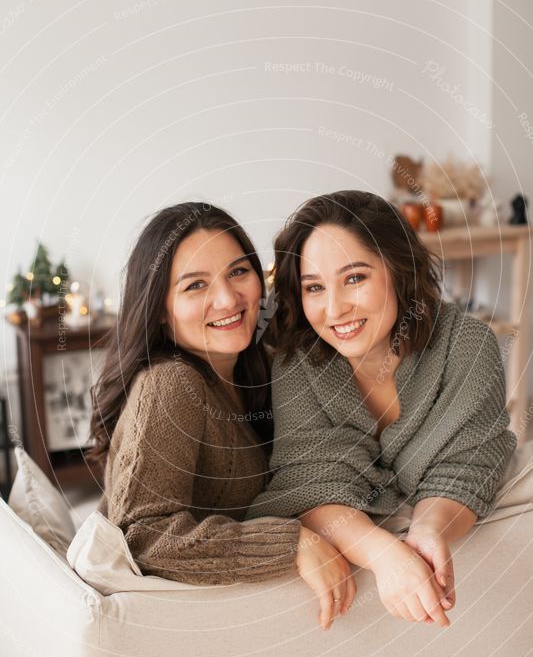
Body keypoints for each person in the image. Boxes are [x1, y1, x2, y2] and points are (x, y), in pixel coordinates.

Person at [246, 190, 517, 628]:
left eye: (354, 278)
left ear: (397, 269)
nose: (334, 309)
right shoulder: (298, 365)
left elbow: (471, 460)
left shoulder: (466, 346)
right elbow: (309, 482)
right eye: (315, 287)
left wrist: (429, 530)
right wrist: (386, 555)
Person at [89, 202, 356, 630]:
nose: (227, 299)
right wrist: (293, 544)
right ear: (160, 308)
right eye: (195, 286)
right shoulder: (171, 384)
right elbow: (141, 535)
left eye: (238, 272)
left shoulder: (260, 367)